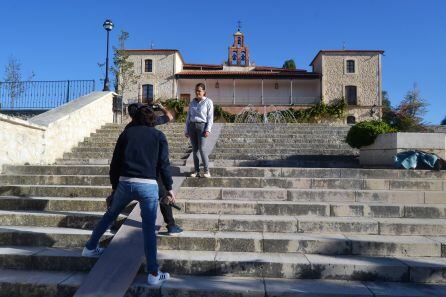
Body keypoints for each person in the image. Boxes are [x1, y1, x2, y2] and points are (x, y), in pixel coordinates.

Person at [82, 106, 173, 286]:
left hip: (125, 182)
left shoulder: (126, 134)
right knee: (148, 228)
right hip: (148, 185)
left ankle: (90, 247)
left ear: (135, 118)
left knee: (110, 215)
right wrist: (169, 188)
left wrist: (115, 187)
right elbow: (164, 165)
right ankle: (153, 273)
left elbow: (115, 163)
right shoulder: (159, 136)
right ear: (153, 120)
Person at [127, 101, 183, 235]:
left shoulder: (128, 129)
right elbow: (169, 117)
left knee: (119, 200)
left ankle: (109, 222)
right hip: (150, 169)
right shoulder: (151, 123)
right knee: (163, 195)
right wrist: (162, 107)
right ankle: (171, 225)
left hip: (130, 171)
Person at [185, 83, 214, 177]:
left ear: (204, 92)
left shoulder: (208, 102)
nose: (197, 92)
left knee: (202, 149)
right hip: (192, 126)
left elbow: (210, 117)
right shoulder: (192, 102)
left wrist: (208, 130)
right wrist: (186, 130)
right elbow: (188, 117)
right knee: (194, 149)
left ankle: (206, 171)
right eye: (196, 90)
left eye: (199, 90)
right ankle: (196, 171)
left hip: (202, 126)